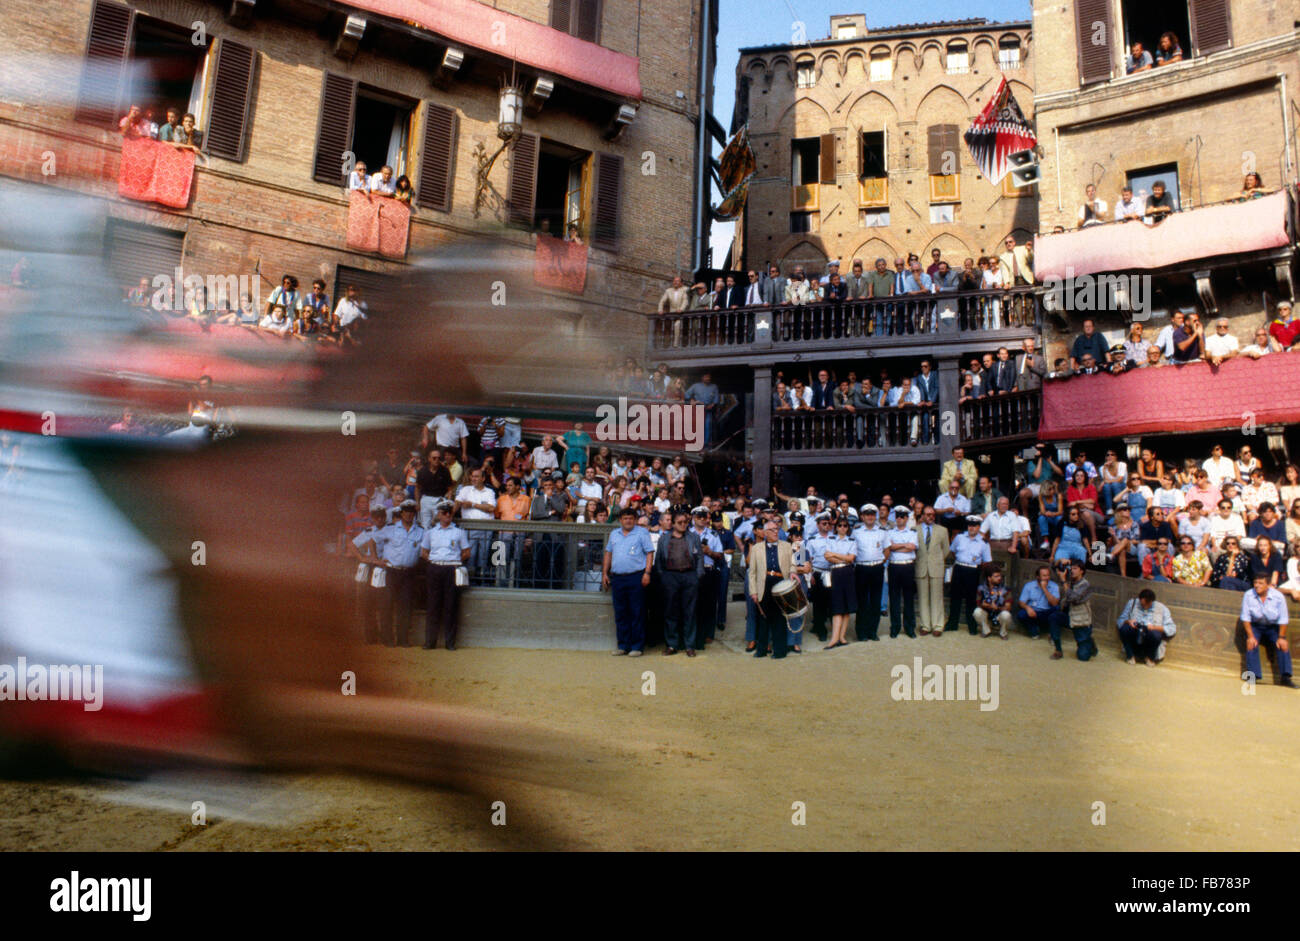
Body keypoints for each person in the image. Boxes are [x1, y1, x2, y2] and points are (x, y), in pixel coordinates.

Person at [603, 507, 654, 656]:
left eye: (631, 518)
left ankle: (637, 646)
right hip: (617, 577)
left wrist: (647, 573)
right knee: (621, 612)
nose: (628, 521)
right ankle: (622, 645)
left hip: (636, 576)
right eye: (625, 518)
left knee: (636, 612)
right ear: (620, 520)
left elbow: (649, 553)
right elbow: (608, 553)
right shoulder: (614, 534)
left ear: (635, 520)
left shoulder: (642, 533)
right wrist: (605, 573)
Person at [420, 503, 469, 649]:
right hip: (435, 568)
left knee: (451, 606)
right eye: (445, 512)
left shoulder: (459, 532)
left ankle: (450, 642)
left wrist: (454, 561)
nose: (448, 515)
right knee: (433, 605)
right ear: (439, 514)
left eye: (450, 513)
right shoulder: (430, 532)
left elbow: (466, 552)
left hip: (451, 569)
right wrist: (434, 561)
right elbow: (424, 552)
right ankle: (430, 641)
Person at [655, 511, 703, 657]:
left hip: (689, 575)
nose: (683, 525)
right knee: (671, 611)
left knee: (689, 611)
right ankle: (672, 644)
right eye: (680, 522)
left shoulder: (693, 537)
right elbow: (658, 559)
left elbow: (700, 557)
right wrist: (663, 576)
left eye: (685, 522)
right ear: (673, 524)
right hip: (670, 576)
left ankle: (689, 645)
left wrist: (698, 575)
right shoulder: (664, 539)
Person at [748, 517, 796, 659]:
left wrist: (793, 572)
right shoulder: (756, 549)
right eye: (772, 530)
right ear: (765, 532)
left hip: (781, 583)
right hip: (764, 584)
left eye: (777, 529)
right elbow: (752, 572)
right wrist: (753, 592)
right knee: (763, 618)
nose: (776, 532)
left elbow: (794, 563)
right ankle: (761, 650)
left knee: (780, 619)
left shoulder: (787, 546)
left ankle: (780, 651)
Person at [1240, 573, 1296, 687]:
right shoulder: (1248, 595)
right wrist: (1251, 636)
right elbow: (1245, 618)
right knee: (1251, 644)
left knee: (1283, 645)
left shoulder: (1278, 596)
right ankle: (1253, 676)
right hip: (1255, 625)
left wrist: (1281, 638)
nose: (1257, 586)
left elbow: (1283, 618)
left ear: (1268, 585)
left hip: (1272, 626)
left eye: (1261, 583)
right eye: (1255, 582)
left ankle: (1286, 677)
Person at [947, 516, 992, 636]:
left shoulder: (984, 543)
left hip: (973, 571)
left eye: (974, 525)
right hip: (959, 568)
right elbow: (953, 551)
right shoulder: (960, 537)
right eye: (969, 525)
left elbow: (987, 561)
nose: (971, 528)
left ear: (979, 527)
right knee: (955, 597)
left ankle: (972, 625)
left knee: (971, 599)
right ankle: (952, 623)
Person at [851, 505, 888, 641]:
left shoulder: (882, 531)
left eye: (872, 514)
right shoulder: (856, 532)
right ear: (862, 516)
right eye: (867, 514)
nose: (870, 517)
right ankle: (861, 632)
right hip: (861, 569)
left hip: (877, 568)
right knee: (862, 602)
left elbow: (887, 549)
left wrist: (879, 561)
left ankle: (873, 631)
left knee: (875, 601)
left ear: (875, 516)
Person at [691, 506, 725, 650]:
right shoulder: (688, 533)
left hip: (708, 571)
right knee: (693, 604)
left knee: (709, 604)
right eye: (699, 517)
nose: (702, 520)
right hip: (691, 572)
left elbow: (720, 555)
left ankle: (708, 633)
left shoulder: (713, 535)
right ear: (693, 518)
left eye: (704, 517)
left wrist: (709, 552)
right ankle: (692, 634)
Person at [822, 516, 858, 649]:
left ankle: (842, 637)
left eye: (845, 526)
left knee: (847, 606)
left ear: (848, 528)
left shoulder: (852, 541)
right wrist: (844, 559)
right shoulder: (830, 539)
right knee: (837, 606)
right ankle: (834, 638)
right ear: (836, 527)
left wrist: (836, 555)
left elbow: (851, 558)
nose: (842, 528)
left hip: (848, 573)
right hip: (836, 573)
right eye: (840, 525)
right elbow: (827, 556)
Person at [913, 506, 950, 636]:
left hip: (936, 567)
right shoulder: (914, 530)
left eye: (933, 514)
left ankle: (938, 625)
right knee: (923, 598)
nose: (930, 517)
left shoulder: (942, 530)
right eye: (928, 514)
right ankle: (925, 625)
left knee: (937, 597)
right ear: (922, 516)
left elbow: (946, 550)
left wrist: (936, 560)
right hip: (921, 566)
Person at [1116, 588, 1177, 666]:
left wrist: (1154, 627)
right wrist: (1128, 621)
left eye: (1147, 604)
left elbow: (1172, 628)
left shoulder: (1162, 608)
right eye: (1142, 604)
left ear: (1152, 601)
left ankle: (1150, 658)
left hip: (1150, 635)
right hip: (1135, 633)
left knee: (1156, 634)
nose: (1145, 606)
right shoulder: (1132, 603)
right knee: (1124, 629)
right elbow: (1120, 620)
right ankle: (1130, 656)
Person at [883, 507, 918, 637]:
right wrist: (904, 545)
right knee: (894, 598)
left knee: (909, 598)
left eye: (902, 516)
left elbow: (912, 547)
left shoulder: (912, 533)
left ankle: (909, 628)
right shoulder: (890, 532)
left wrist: (896, 546)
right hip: (894, 567)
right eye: (897, 516)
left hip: (907, 566)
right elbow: (889, 547)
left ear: (907, 518)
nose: (899, 518)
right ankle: (895, 627)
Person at [1058, 559, 1099, 661]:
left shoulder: (1085, 584)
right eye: (1071, 568)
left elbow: (1073, 598)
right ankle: (1057, 647)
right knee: (1053, 617)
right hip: (1069, 615)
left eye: (1075, 568)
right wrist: (1060, 561)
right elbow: (1054, 567)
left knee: (1083, 657)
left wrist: (1064, 582)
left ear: (1082, 571)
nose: (1072, 571)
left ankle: (1089, 641)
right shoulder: (1070, 581)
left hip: (1081, 620)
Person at [1016, 564, 1062, 639]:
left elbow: (1054, 603)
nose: (1047, 578)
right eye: (1044, 576)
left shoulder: (1054, 586)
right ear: (1038, 577)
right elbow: (1021, 602)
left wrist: (1044, 589)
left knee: (1057, 609)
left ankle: (1052, 634)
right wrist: (1027, 608)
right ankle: (1034, 630)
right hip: (1034, 612)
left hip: (1047, 612)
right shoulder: (1029, 586)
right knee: (1021, 614)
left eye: (1048, 575)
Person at [974, 565, 1013, 639]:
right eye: (996, 576)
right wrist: (985, 605)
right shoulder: (981, 588)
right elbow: (978, 603)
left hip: (999, 614)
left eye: (1000, 576)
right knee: (977, 612)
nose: (999, 578)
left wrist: (997, 607)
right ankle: (986, 630)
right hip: (987, 613)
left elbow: (1008, 607)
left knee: (1006, 615)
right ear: (989, 578)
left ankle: (1003, 632)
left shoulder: (1006, 589)